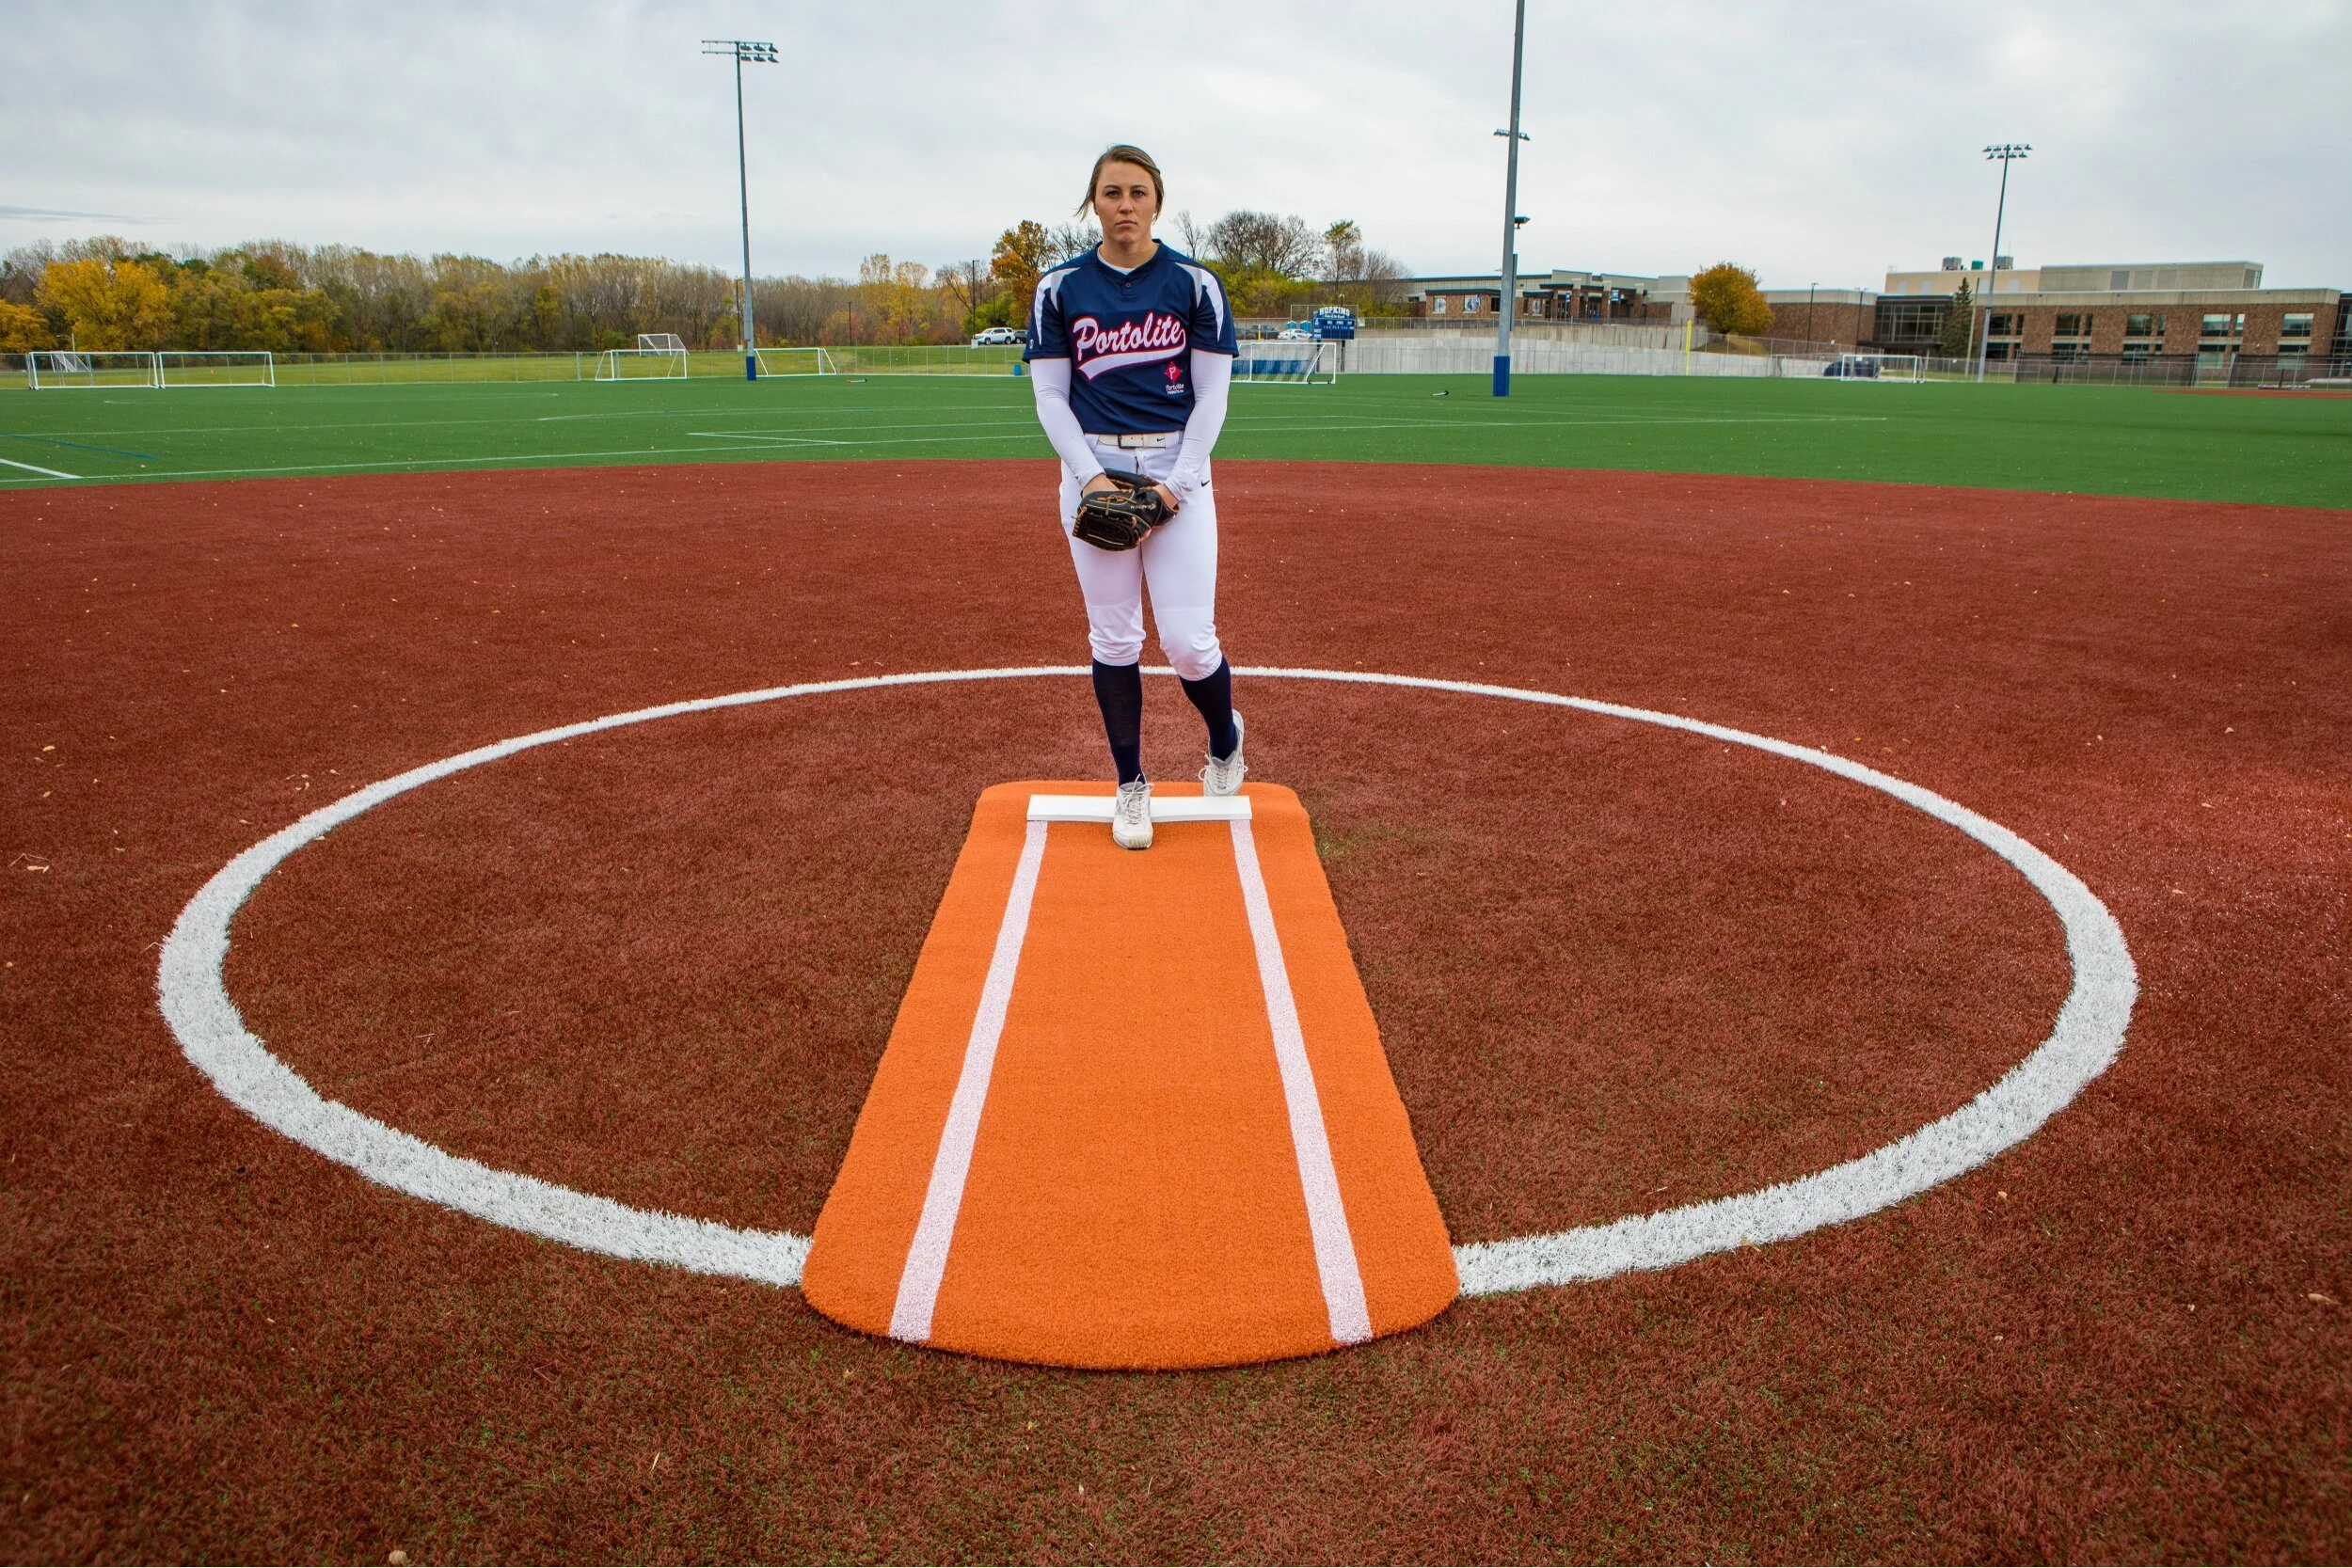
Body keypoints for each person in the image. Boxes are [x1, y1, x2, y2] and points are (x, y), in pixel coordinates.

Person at [1025, 144, 1241, 851]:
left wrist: (1178, 486)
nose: (1125, 204)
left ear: (1157, 201)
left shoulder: (1194, 283)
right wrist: (1090, 477)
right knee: (1114, 637)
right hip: (1093, 465)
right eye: (1112, 192)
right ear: (1094, 201)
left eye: (1138, 192)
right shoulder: (1059, 287)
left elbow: (1212, 399)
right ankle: (1130, 784)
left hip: (1178, 468)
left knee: (1186, 641)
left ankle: (1223, 739)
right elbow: (1052, 396)